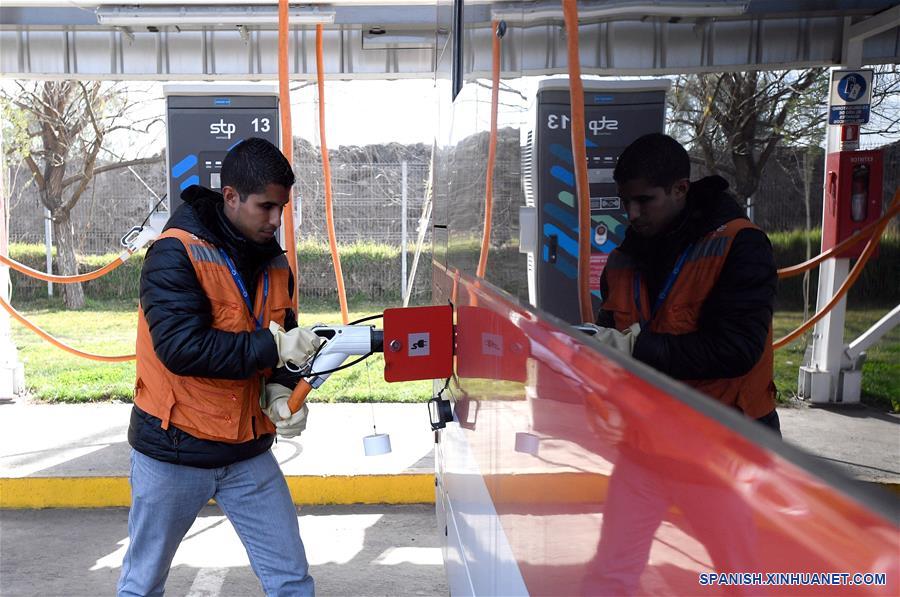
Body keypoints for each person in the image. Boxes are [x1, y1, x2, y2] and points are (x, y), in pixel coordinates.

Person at [118, 137, 322, 596]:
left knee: (291, 579)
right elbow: (182, 348)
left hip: (247, 453)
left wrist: (279, 390)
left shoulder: (274, 263)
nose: (276, 220)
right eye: (266, 207)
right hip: (174, 451)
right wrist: (273, 351)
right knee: (143, 583)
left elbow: (282, 335)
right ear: (230, 197)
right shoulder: (175, 253)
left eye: (282, 208)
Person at [592, 133, 780, 435]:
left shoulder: (741, 244)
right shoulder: (621, 261)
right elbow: (608, 332)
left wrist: (633, 347)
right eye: (625, 201)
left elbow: (736, 350)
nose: (632, 214)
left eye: (644, 200)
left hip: (730, 441)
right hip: (647, 434)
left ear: (680, 189)